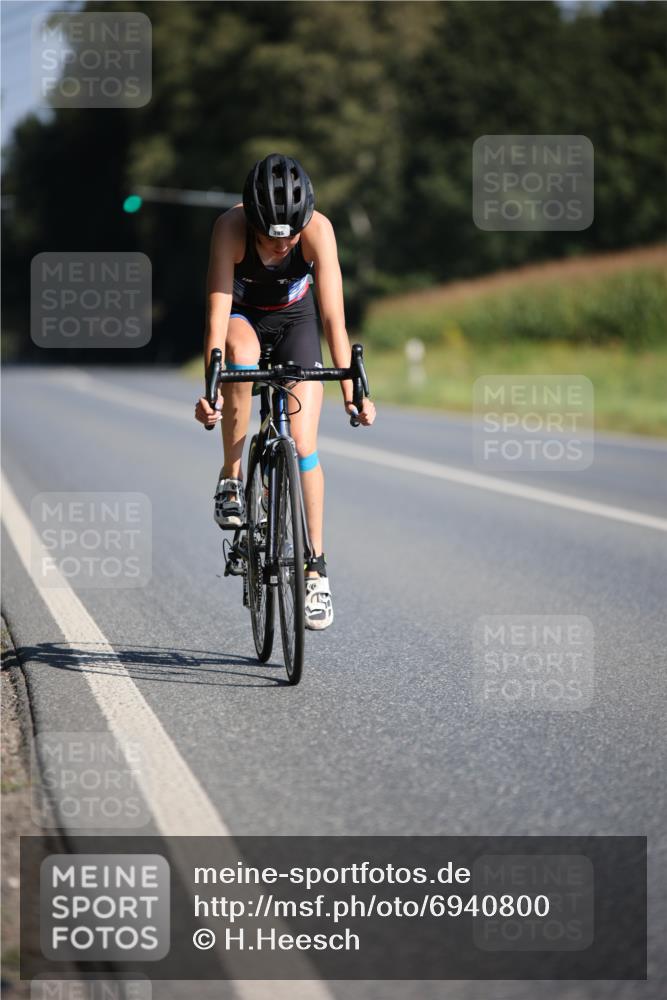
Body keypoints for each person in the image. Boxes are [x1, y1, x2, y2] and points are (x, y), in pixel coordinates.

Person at [195, 153, 376, 630]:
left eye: (290, 239)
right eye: (269, 241)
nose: (280, 249)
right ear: (250, 222)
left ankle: (315, 569)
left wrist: (352, 389)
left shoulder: (320, 230)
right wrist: (210, 388)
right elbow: (216, 316)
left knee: (305, 444)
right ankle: (232, 476)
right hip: (243, 317)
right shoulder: (229, 228)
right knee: (241, 357)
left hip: (297, 321)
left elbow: (334, 317)